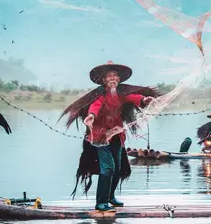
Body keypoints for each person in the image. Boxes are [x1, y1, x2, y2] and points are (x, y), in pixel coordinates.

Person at [59, 61, 159, 211]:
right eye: (109, 76)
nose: (112, 78)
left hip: (117, 136)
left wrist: (144, 100)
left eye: (115, 75)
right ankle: (101, 202)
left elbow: (133, 97)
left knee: (117, 168)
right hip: (99, 137)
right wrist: (91, 116)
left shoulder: (121, 94)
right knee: (108, 168)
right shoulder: (100, 95)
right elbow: (95, 106)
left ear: (119, 79)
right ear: (104, 80)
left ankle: (111, 197)